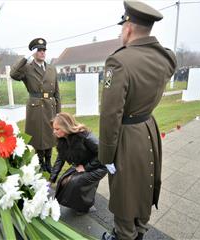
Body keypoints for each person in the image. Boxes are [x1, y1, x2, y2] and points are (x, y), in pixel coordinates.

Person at [99, 1, 177, 240]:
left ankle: (124, 234)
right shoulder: (166, 58)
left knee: (124, 195)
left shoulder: (118, 62)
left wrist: (106, 157)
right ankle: (140, 231)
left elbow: (111, 116)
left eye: (123, 26)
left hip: (127, 136)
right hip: (148, 130)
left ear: (129, 27)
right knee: (145, 184)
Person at [10, 38, 61, 173]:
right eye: (39, 50)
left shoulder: (51, 68)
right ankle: (40, 161)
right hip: (36, 107)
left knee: (50, 135)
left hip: (50, 106)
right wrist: (25, 59)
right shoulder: (27, 68)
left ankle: (48, 162)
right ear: (33, 52)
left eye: (44, 50)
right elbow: (13, 74)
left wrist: (59, 113)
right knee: (38, 137)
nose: (42, 52)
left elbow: (57, 92)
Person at [49, 112, 107, 214]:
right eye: (53, 129)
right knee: (63, 181)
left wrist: (86, 167)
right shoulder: (63, 139)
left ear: (66, 127)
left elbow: (103, 154)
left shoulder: (85, 136)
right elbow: (60, 158)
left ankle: (85, 207)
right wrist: (52, 178)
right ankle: (77, 203)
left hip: (99, 166)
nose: (54, 132)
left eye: (57, 129)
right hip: (83, 165)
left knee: (75, 182)